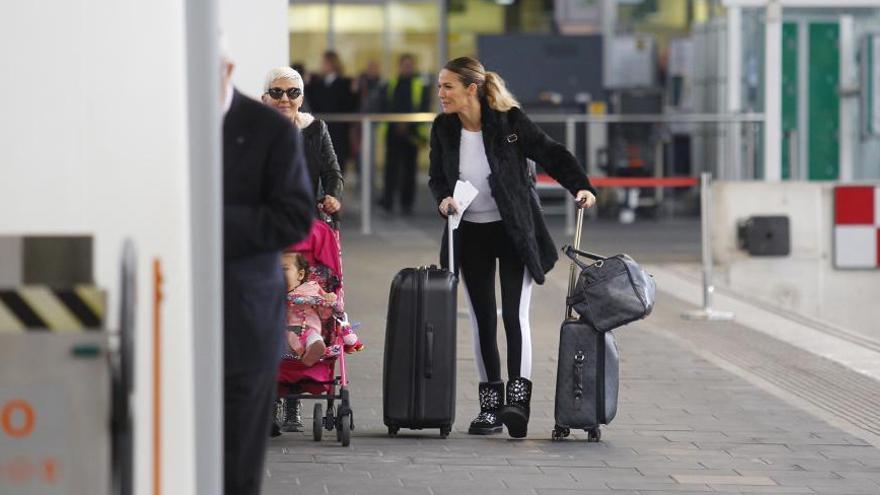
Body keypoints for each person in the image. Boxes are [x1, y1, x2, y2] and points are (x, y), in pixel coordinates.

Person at [428, 57, 596, 439]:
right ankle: (490, 407)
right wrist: (443, 200)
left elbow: (552, 153)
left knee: (513, 316)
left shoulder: (509, 123)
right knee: (481, 319)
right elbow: (437, 177)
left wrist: (580, 186)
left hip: (513, 230)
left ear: (471, 88)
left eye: (447, 86)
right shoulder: (442, 128)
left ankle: (517, 402)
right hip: (469, 233)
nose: (441, 94)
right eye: (440, 87)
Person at [221, 51, 314, 494]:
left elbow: (295, 217)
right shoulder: (166, 125)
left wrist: (207, 224)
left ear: (225, 69)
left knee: (239, 457)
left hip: (246, 314)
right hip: (174, 315)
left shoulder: (268, 131)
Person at [262, 66, 343, 221]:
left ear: (301, 100)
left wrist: (333, 197)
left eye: (293, 92)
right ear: (264, 99)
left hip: (308, 219)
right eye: (276, 92)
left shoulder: (316, 128)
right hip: (267, 223)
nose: (285, 99)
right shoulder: (253, 133)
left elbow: (332, 172)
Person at [378, 54, 431, 215]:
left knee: (409, 170)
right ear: (399, 66)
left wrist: (407, 125)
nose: (407, 68)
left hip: (412, 134)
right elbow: (385, 105)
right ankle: (387, 202)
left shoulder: (420, 85)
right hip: (393, 133)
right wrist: (397, 124)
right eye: (404, 65)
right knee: (390, 169)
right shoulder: (391, 84)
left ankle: (406, 203)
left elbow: (423, 106)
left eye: (409, 65)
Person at [281, 252, 338, 366]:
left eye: (284, 269)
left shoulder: (311, 288)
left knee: (314, 337)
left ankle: (314, 350)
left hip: (307, 327)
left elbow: (324, 311)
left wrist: (328, 299)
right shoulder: (272, 291)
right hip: (282, 332)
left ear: (300, 275)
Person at [305, 51, 357, 176]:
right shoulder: (317, 84)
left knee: (337, 167)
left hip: (338, 131)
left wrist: (355, 92)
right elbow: (314, 105)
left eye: (324, 62)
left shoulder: (345, 83)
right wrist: (307, 85)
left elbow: (348, 106)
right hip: (321, 130)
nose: (322, 65)